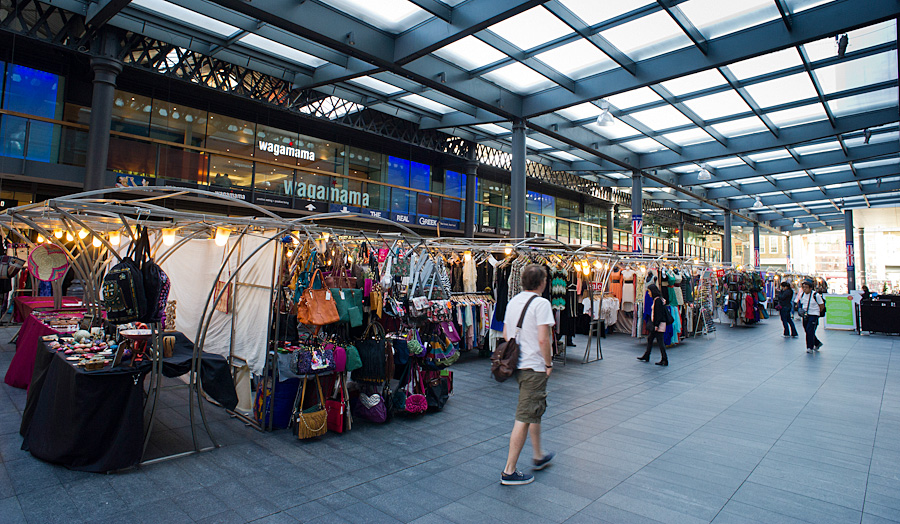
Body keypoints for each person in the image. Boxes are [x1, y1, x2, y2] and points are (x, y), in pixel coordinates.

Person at [501, 264, 556, 486]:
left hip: (518, 365)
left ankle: (538, 454)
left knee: (532, 410)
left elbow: (506, 334)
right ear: (542, 282)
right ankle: (509, 471)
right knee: (524, 417)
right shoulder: (542, 304)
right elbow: (544, 339)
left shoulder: (513, 301)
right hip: (534, 366)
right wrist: (548, 363)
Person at [637, 284, 668, 366]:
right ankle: (647, 355)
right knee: (651, 339)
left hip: (658, 325)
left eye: (649, 291)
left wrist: (656, 325)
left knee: (660, 342)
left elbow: (658, 314)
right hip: (658, 324)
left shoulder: (657, 300)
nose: (649, 293)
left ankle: (664, 359)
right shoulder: (658, 299)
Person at [796, 279, 824, 353]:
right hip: (806, 314)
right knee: (807, 330)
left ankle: (810, 347)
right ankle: (817, 343)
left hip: (814, 314)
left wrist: (818, 313)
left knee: (810, 330)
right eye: (803, 287)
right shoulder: (802, 294)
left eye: (806, 287)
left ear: (810, 288)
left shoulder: (816, 295)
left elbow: (821, 305)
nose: (804, 289)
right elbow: (801, 303)